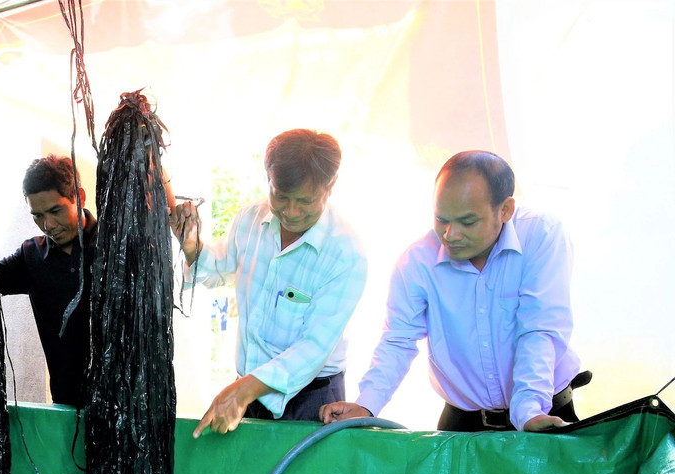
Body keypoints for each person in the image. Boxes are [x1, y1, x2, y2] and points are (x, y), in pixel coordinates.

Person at [320, 150, 585, 432]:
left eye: (467, 222)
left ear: (506, 210)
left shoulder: (542, 235)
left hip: (545, 410)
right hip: (464, 423)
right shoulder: (416, 262)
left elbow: (540, 329)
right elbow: (398, 341)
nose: (450, 234)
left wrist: (529, 411)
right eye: (441, 219)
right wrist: (366, 405)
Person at [173, 129, 367, 438]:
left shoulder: (345, 253)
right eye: (281, 197)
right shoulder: (250, 219)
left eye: (305, 201)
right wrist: (191, 246)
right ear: (268, 179)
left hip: (311, 400)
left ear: (330, 187)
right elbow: (217, 269)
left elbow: (313, 348)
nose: (291, 212)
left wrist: (244, 390)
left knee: (302, 472)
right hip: (249, 393)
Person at [0, 155, 98, 407]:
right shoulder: (31, 256)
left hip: (123, 406)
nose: (48, 225)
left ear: (80, 197)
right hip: (65, 403)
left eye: (55, 211)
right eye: (38, 215)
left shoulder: (115, 246)